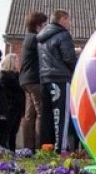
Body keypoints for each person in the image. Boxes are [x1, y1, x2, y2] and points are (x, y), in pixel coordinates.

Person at [38, 9, 77, 153]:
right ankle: (62, 148)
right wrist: (76, 69)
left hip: (44, 78)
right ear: (61, 20)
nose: (70, 23)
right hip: (60, 78)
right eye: (68, 20)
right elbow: (69, 58)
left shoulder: (41, 37)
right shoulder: (63, 35)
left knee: (47, 115)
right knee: (62, 115)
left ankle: (46, 147)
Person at [20, 11, 47, 151]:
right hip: (35, 79)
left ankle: (27, 147)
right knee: (40, 112)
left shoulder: (27, 38)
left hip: (25, 79)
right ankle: (39, 146)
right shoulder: (36, 39)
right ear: (38, 26)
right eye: (44, 24)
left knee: (29, 114)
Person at [0, 54, 25, 151]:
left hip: (17, 107)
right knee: (5, 130)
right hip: (8, 107)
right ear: (11, 62)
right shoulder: (4, 75)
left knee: (14, 131)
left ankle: (12, 150)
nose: (19, 63)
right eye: (17, 60)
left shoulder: (17, 76)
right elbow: (2, 92)